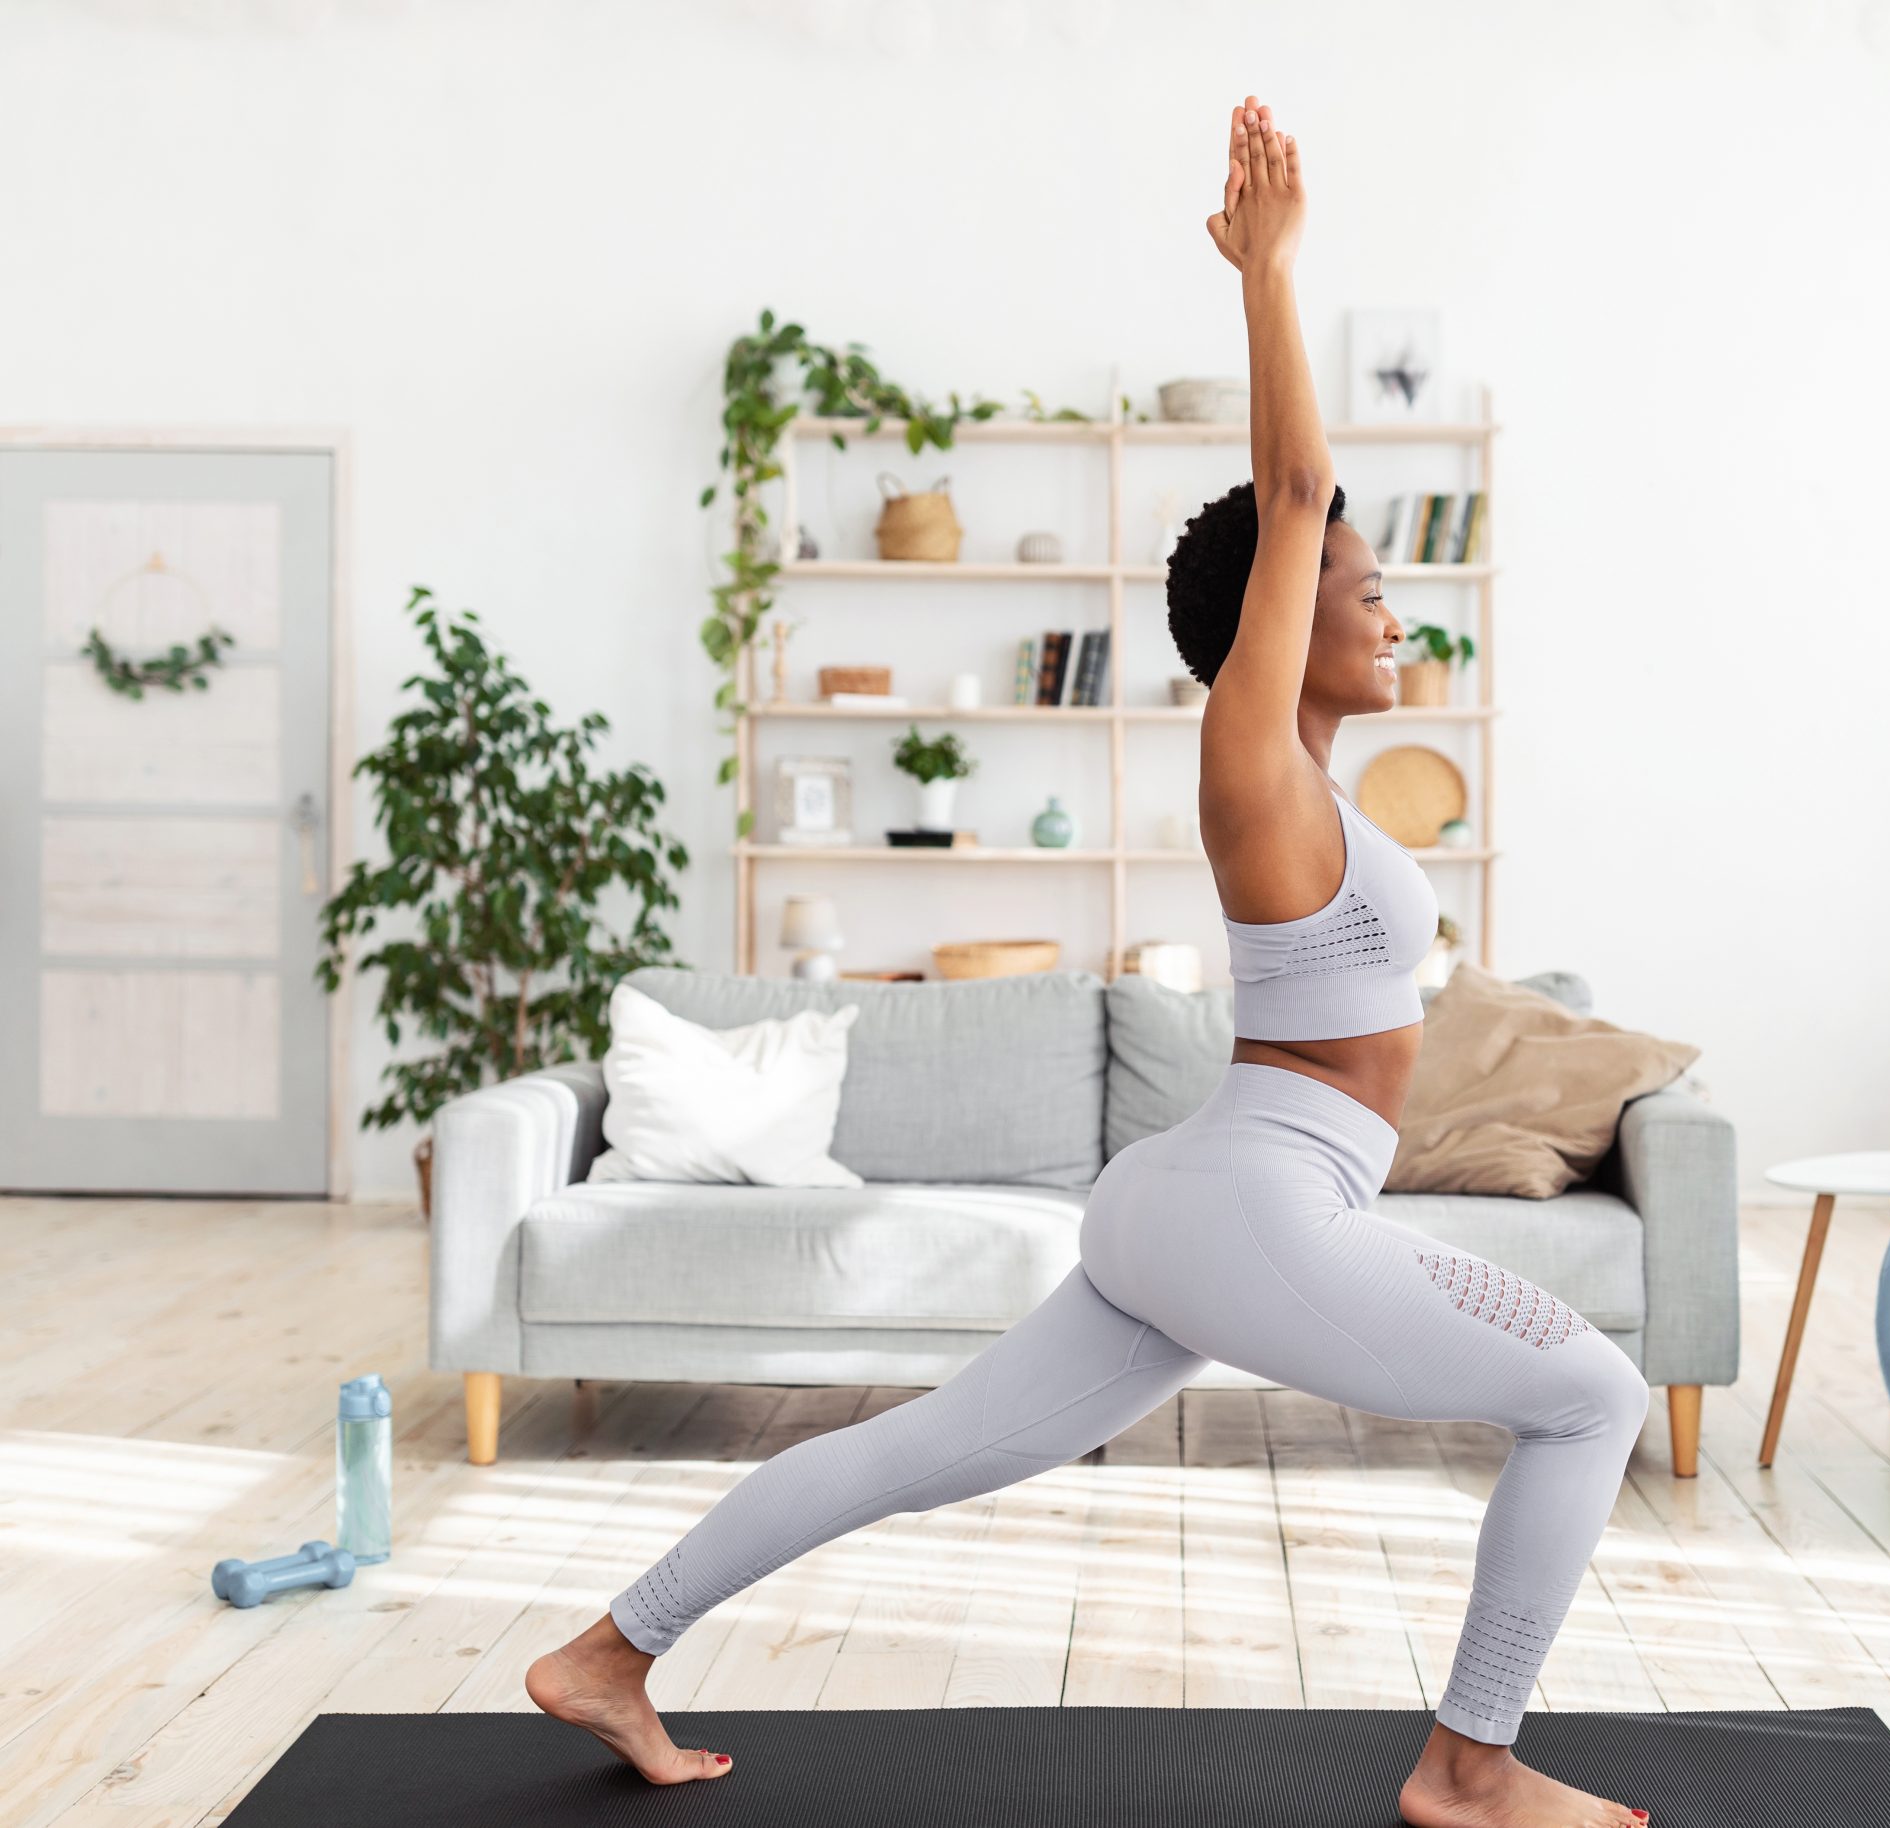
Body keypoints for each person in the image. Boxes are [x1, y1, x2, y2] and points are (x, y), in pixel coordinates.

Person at [528, 95, 1652, 1828]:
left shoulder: (1325, 799)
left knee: (911, 1455)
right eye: (1360, 588)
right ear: (1283, 625)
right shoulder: (1252, 763)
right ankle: (1470, 1767)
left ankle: (613, 1650)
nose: (1389, 609)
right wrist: (1274, 270)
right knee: (1592, 1391)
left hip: (1202, 1204)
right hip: (1251, 1206)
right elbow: (1291, 494)